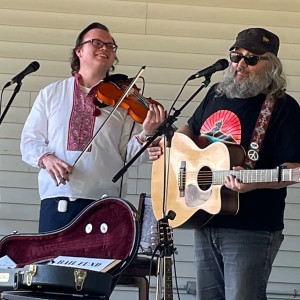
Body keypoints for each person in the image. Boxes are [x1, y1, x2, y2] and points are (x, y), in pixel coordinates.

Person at [148, 28, 300, 300]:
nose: (240, 64)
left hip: (252, 227)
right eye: (236, 56)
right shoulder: (216, 94)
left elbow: (293, 170)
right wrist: (167, 151)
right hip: (205, 216)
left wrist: (253, 185)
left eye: (252, 59)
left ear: (271, 67)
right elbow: (188, 131)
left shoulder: (283, 107)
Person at [20, 22, 165, 233]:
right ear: (79, 51)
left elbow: (129, 155)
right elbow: (29, 141)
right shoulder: (51, 93)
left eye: (110, 46)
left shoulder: (124, 100)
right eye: (97, 43)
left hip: (105, 203)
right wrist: (47, 159)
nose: (105, 48)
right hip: (58, 199)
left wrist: (147, 133)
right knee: (53, 266)